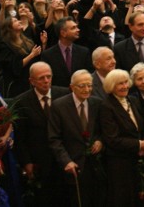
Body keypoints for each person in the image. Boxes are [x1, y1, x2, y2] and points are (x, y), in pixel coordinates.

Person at [14, 62, 70, 206]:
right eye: (41, 78)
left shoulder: (64, 94)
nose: (46, 81)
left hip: (64, 157)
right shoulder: (21, 102)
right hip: (39, 161)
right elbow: (20, 138)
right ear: (31, 81)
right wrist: (26, 162)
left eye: (48, 77)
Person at [48, 69, 105, 207]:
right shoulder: (59, 105)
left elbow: (103, 129)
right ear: (72, 87)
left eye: (90, 85)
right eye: (82, 86)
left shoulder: (97, 103)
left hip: (96, 165)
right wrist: (66, 161)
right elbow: (54, 138)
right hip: (73, 165)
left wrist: (100, 141)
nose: (87, 89)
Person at [99, 69, 144, 206]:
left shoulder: (133, 100)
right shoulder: (106, 106)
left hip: (138, 159)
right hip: (119, 164)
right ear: (111, 86)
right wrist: (139, 145)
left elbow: (143, 127)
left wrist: (143, 145)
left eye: (125, 82)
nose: (124, 86)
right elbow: (112, 139)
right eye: (119, 84)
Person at [0, 17, 43, 97]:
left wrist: (44, 44)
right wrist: (31, 55)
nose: (19, 21)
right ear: (9, 27)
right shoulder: (4, 45)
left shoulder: (28, 41)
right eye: (15, 21)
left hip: (31, 81)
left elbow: (37, 58)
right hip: (16, 85)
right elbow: (14, 66)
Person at [41, 16, 92, 88]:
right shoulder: (47, 55)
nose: (78, 30)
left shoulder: (84, 52)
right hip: (58, 96)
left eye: (77, 27)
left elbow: (89, 74)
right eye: (73, 28)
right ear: (63, 33)